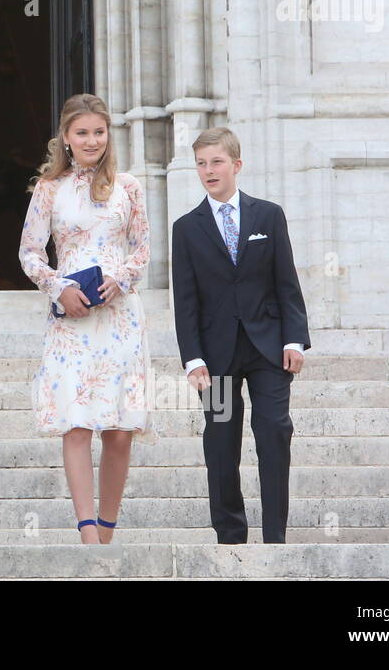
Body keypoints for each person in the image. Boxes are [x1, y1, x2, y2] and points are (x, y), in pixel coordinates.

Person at [18, 94, 153, 543]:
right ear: (66, 138)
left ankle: (110, 530)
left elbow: (143, 248)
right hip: (70, 320)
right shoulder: (49, 189)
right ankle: (87, 535)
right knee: (76, 423)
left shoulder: (129, 186)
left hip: (119, 315)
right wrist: (60, 287)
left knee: (118, 429)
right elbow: (29, 252)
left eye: (98, 131)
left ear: (108, 134)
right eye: (82, 132)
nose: (91, 140)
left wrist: (121, 279)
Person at [171, 126, 310, 544]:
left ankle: (275, 539)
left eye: (216, 162)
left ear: (236, 164)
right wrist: (192, 360)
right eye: (201, 163)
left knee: (273, 433)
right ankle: (230, 536)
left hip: (268, 350)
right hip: (213, 360)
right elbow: (185, 300)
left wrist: (294, 339)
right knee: (220, 442)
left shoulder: (268, 215)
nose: (208, 170)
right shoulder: (186, 227)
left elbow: (286, 281)